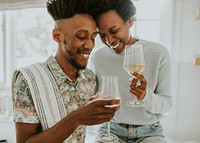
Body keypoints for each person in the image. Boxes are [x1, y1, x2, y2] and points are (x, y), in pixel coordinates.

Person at [11, 0, 120, 143]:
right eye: (81, 36)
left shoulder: (89, 79)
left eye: (93, 37)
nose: (90, 45)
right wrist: (77, 117)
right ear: (57, 36)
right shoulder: (29, 79)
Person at [89, 0, 172, 142]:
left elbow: (166, 105)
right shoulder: (98, 57)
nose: (109, 41)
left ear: (131, 21)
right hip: (111, 130)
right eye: (102, 35)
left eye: (114, 31)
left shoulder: (158, 53)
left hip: (149, 131)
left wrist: (145, 96)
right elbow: (94, 99)